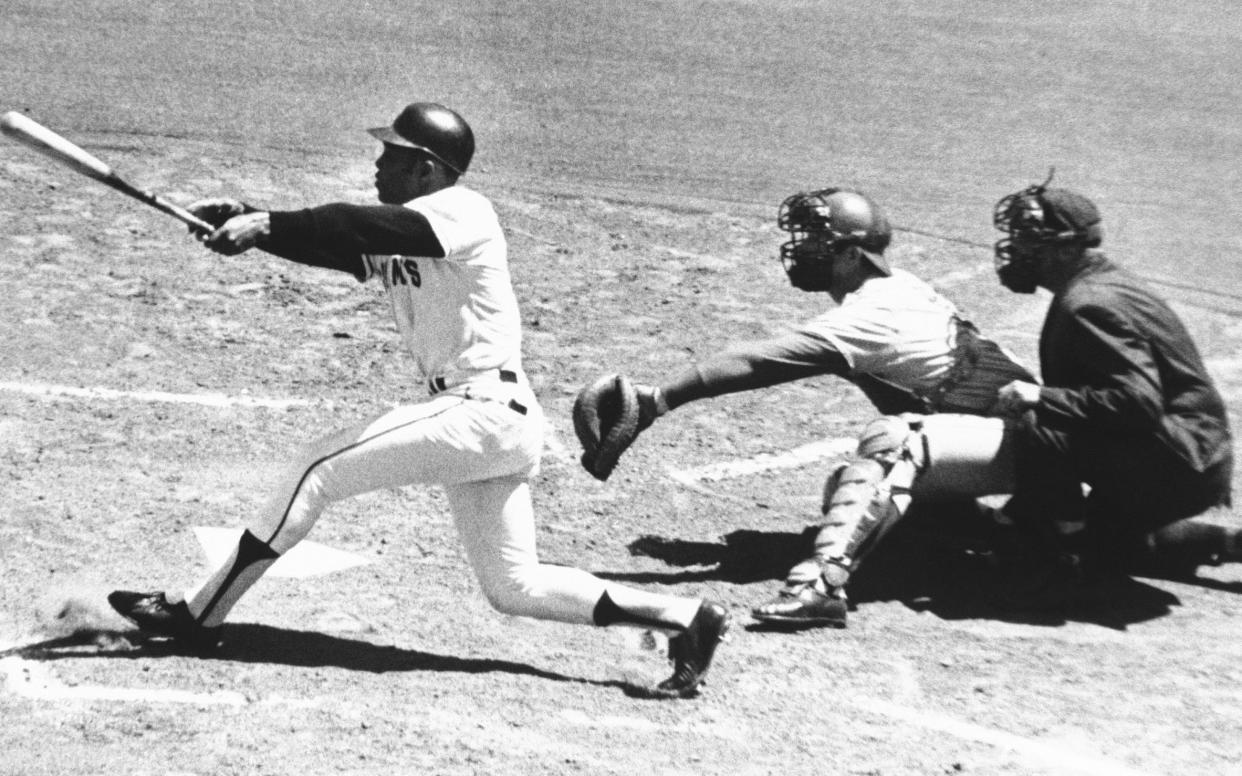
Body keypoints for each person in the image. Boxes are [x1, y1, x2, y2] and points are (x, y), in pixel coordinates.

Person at [107, 102, 727, 699]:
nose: (379, 163)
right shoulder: (406, 230)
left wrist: (269, 221)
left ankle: (198, 615)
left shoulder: (461, 210)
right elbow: (338, 247)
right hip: (495, 425)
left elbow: (356, 223)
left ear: (427, 169)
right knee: (514, 586)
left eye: (392, 154)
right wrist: (251, 222)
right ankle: (686, 616)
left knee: (314, 472)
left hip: (479, 410)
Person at [574, 187, 1037, 627]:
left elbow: (760, 361)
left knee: (892, 443)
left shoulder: (875, 313)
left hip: (1036, 445)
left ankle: (820, 588)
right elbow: (919, 395)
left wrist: (659, 400)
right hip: (1012, 442)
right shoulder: (898, 289)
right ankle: (1005, 535)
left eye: (819, 241)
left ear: (852, 255)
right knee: (853, 490)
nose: (803, 249)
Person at [794, 176, 1238, 615]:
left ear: (1067, 248)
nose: (1015, 250)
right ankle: (1223, 544)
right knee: (1103, 539)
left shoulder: (1089, 305)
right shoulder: (1106, 284)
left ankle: (1058, 558)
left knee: (1039, 425)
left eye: (1030, 242)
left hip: (1175, 461)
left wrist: (1041, 397)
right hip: (1195, 455)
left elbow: (1137, 402)